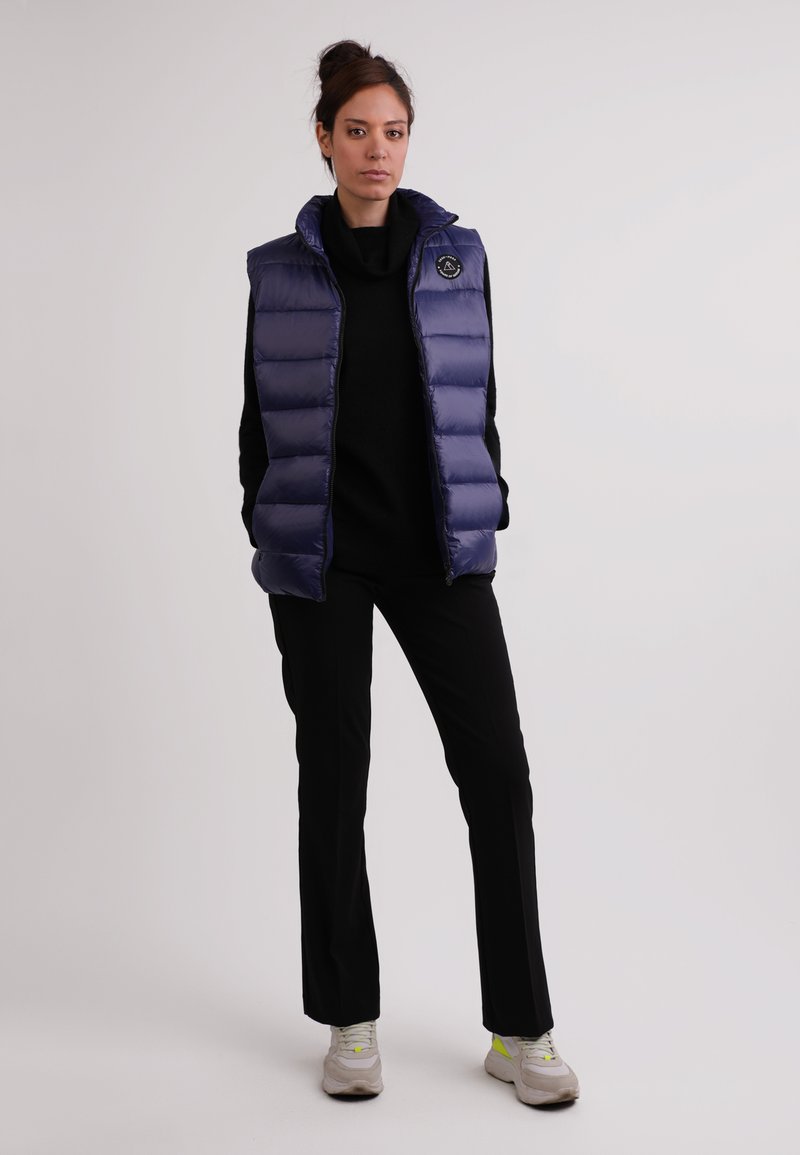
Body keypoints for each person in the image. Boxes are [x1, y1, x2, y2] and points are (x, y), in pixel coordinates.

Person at [238, 39, 580, 1108]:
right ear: (323, 139)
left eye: (393, 132)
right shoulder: (278, 271)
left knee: (498, 776)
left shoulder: (455, 259)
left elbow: (477, 398)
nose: (376, 151)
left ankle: (520, 1027)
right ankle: (349, 1018)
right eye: (357, 131)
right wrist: (266, 518)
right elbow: (256, 419)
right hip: (323, 560)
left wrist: (485, 501)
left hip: (437, 553)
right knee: (335, 780)